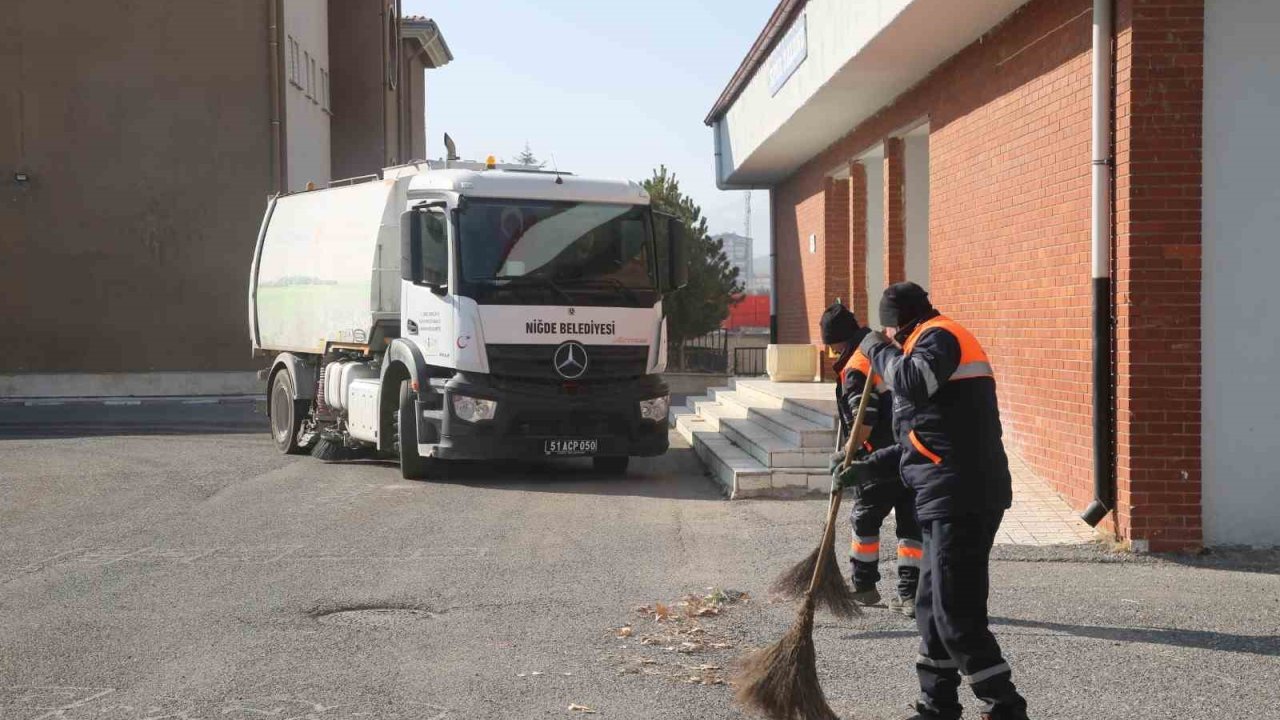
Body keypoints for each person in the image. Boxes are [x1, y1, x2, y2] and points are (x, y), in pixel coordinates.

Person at [834, 282, 1029, 720]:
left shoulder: (939, 337)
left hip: (963, 493)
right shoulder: (923, 342)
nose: (888, 339)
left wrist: (876, 349)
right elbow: (918, 442)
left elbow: (913, 381)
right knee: (929, 606)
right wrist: (867, 466)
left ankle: (1005, 708)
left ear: (898, 322)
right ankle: (937, 705)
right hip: (945, 490)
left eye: (888, 331)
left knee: (956, 615)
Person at [819, 301, 922, 617]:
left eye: (832, 347)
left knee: (864, 518)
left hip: (879, 457)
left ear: (839, 341)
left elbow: (863, 423)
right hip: (911, 450)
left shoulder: (858, 366)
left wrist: (846, 454)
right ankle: (911, 595)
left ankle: (864, 585)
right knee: (910, 524)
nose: (833, 354)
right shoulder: (883, 351)